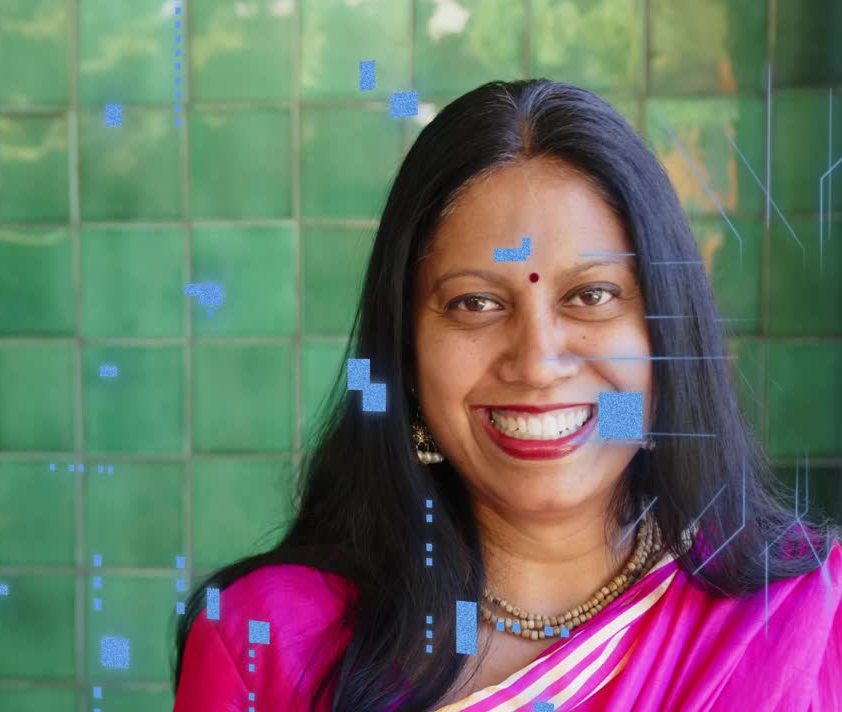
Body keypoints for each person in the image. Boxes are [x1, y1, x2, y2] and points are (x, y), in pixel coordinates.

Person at [170, 79, 842, 712]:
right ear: (406, 354)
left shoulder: (806, 618)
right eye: (475, 303)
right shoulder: (267, 642)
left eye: (592, 295)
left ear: (668, 336)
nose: (538, 364)